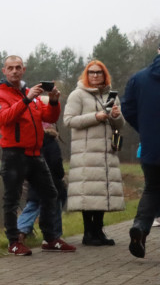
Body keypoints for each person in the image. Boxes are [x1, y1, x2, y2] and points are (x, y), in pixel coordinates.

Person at [0, 55, 73, 255]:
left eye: (18, 67)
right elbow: (5, 119)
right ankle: (13, 242)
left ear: (24, 69)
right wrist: (26, 100)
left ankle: (50, 238)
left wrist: (53, 102)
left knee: (51, 194)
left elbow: (50, 117)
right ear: (4, 71)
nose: (14, 71)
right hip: (13, 154)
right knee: (11, 199)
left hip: (35, 153)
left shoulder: (32, 94)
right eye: (10, 68)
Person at [63, 60, 125, 246]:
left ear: (105, 75)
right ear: (86, 74)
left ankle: (98, 232)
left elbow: (120, 124)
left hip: (107, 152)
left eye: (99, 72)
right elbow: (68, 120)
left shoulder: (111, 95)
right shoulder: (77, 95)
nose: (95, 75)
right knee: (87, 193)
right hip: (86, 153)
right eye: (91, 72)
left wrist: (116, 116)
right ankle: (88, 233)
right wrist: (95, 117)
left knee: (101, 192)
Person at [122, 44, 160, 258]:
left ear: (158, 50)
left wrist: (145, 130)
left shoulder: (139, 78)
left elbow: (127, 108)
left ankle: (140, 227)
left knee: (152, 189)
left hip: (151, 146)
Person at [16, 122, 66, 244]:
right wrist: (61, 175)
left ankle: (19, 231)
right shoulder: (52, 142)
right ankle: (54, 236)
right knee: (55, 208)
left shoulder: (31, 142)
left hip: (35, 182)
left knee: (32, 206)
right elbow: (56, 162)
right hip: (52, 183)